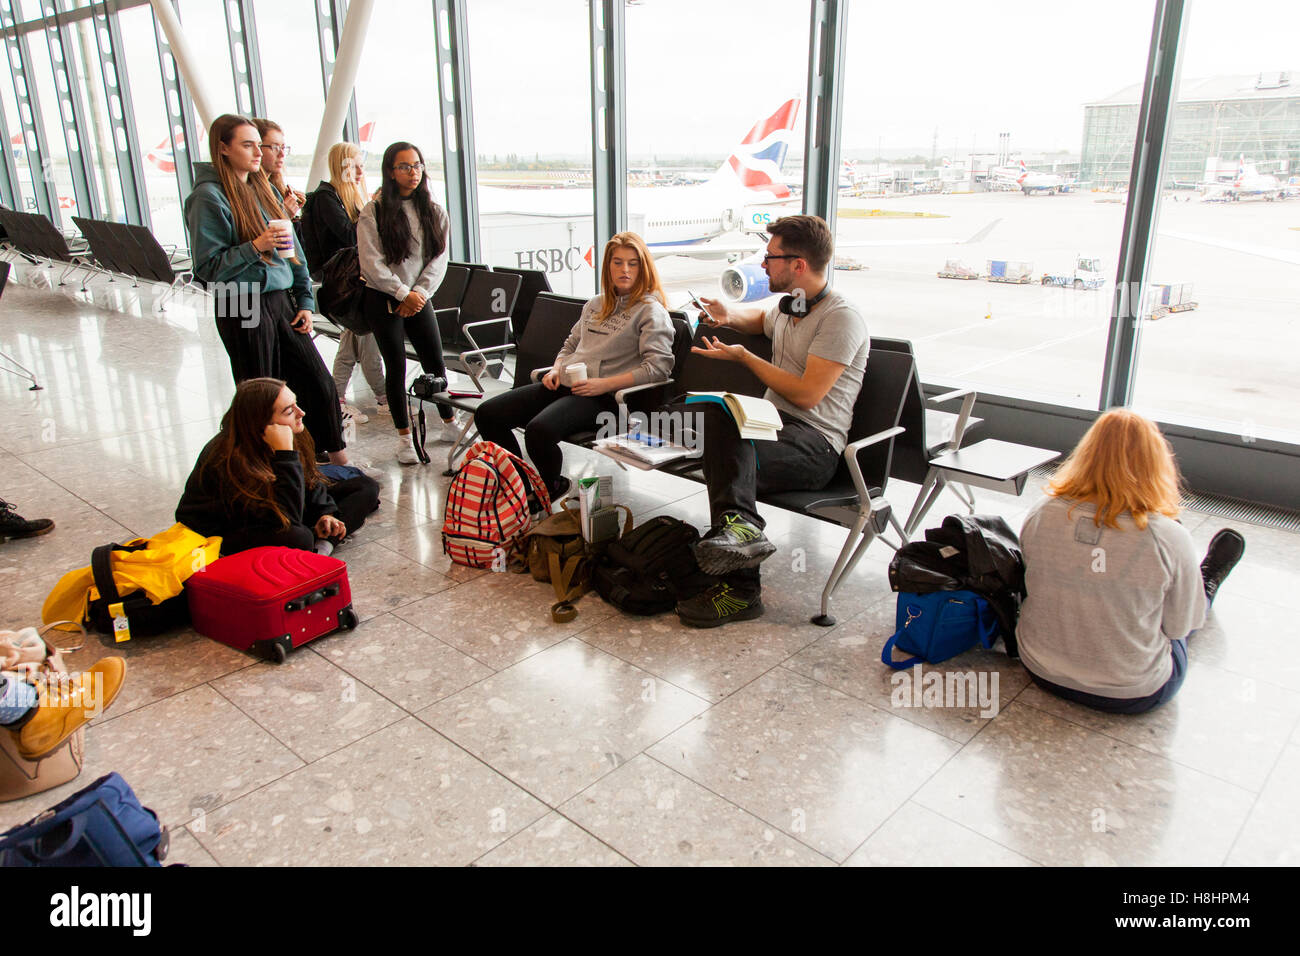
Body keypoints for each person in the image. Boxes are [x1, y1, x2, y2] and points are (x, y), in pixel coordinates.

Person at [679, 214, 869, 627]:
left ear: (798, 265)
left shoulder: (840, 318)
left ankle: (743, 588)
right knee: (721, 421)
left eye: (771, 257)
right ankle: (741, 538)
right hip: (772, 428)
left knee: (729, 457)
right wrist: (726, 315)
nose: (763, 265)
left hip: (816, 446)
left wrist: (746, 357)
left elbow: (805, 394)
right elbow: (760, 320)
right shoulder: (791, 306)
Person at [1015, 409, 1246, 714]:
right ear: (1156, 464)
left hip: (1041, 670)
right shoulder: (1167, 536)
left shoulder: (1041, 512)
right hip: (1134, 692)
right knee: (1187, 609)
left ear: (1086, 454)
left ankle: (1195, 579)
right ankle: (1206, 581)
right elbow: (1180, 627)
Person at [184, 113, 350, 466]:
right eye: (247, 145)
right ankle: (267, 467)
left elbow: (295, 255)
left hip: (277, 299)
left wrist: (305, 299)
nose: (258, 152)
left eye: (259, 145)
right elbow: (207, 268)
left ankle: (336, 460)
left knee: (317, 382)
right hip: (238, 301)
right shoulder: (208, 197)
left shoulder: (263, 188)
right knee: (262, 395)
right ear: (223, 149)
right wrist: (255, 246)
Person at [474, 231, 675, 500]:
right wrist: (557, 368)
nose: (625, 270)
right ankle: (519, 485)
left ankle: (550, 486)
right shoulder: (595, 304)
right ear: (608, 266)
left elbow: (658, 369)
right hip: (568, 385)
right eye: (617, 262)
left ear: (643, 267)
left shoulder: (651, 311)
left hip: (609, 398)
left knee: (539, 431)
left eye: (632, 263)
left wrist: (602, 384)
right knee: (488, 414)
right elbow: (570, 345)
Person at [176, 377, 380, 557]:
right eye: (289, 411)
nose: (301, 413)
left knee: (365, 487)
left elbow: (309, 479)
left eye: (296, 404)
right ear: (262, 423)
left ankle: (323, 545)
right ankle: (315, 544)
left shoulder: (291, 430)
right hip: (229, 529)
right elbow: (285, 519)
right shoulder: (227, 457)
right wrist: (285, 455)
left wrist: (324, 513)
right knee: (297, 536)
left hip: (280, 506)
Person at [357, 141, 459, 465]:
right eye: (404, 166)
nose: (413, 172)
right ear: (390, 171)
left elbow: (439, 260)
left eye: (417, 165)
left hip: (419, 298)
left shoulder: (434, 210)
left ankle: (449, 423)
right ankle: (404, 438)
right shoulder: (373, 212)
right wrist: (403, 294)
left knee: (435, 361)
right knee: (396, 366)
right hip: (382, 297)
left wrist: (419, 295)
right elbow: (371, 263)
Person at [301, 142, 387, 425]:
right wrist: (373, 212)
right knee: (365, 336)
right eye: (356, 165)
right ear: (343, 167)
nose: (362, 171)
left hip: (349, 282)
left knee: (354, 340)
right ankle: (383, 397)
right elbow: (351, 237)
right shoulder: (329, 198)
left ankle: (339, 398)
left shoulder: (340, 198)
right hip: (345, 284)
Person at [252, 118, 307, 224]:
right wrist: (284, 214)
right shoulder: (248, 192)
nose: (282, 154)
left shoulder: (276, 189)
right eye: (275, 147)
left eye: (283, 147)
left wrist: (293, 213)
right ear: (257, 148)